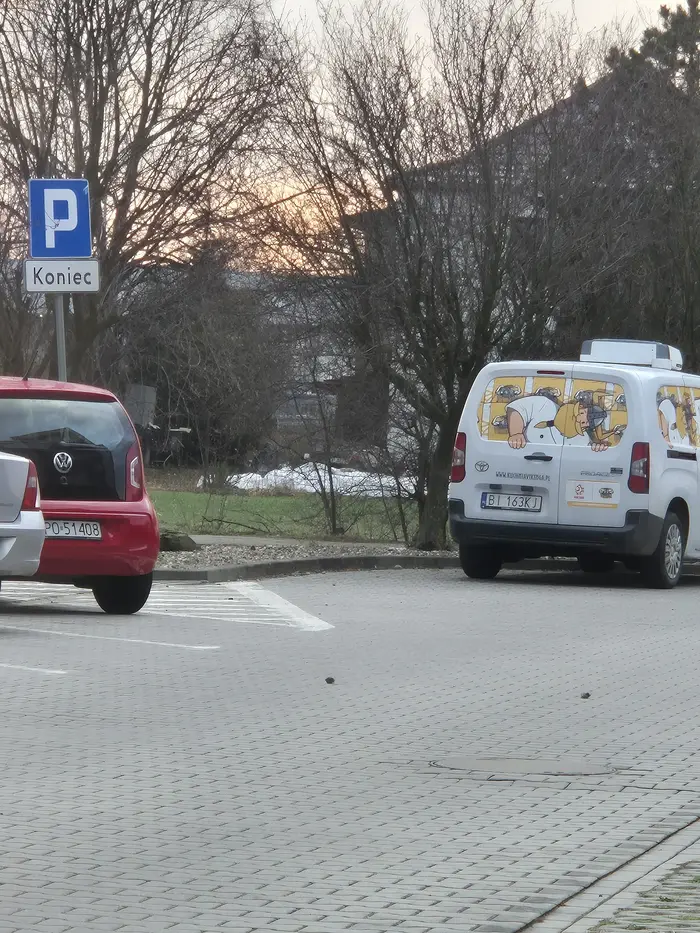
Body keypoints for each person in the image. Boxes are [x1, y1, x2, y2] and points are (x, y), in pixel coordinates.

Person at [506, 394, 610, 451]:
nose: (578, 419)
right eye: (581, 413)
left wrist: (598, 449)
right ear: (580, 407)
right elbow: (517, 408)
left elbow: (587, 456)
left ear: (584, 428)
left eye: (583, 422)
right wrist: (516, 433)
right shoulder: (545, 404)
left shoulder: (582, 441)